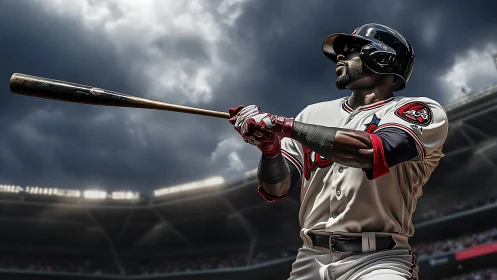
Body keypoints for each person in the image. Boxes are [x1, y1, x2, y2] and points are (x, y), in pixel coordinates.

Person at [228, 23, 449, 280]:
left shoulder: (420, 110)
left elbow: (372, 151)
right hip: (310, 259)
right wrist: (269, 149)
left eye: (351, 49)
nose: (340, 56)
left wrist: (283, 125)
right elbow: (276, 189)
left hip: (378, 261)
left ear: (382, 56)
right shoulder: (312, 114)